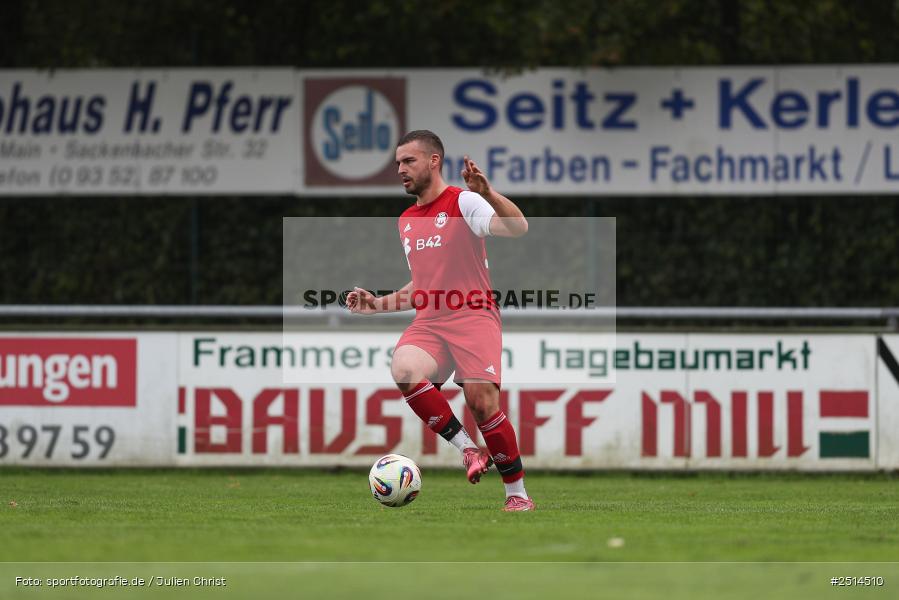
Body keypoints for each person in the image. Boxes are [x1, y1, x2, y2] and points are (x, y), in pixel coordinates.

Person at [345, 130, 535, 512]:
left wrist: (488, 194)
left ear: (434, 161)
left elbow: (518, 228)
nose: (400, 169)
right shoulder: (406, 221)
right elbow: (423, 284)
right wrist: (377, 304)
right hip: (430, 321)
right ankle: (468, 450)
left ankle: (517, 494)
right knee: (403, 368)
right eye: (398, 163)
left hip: (473, 316)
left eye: (408, 161)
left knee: (481, 402)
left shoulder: (463, 202)